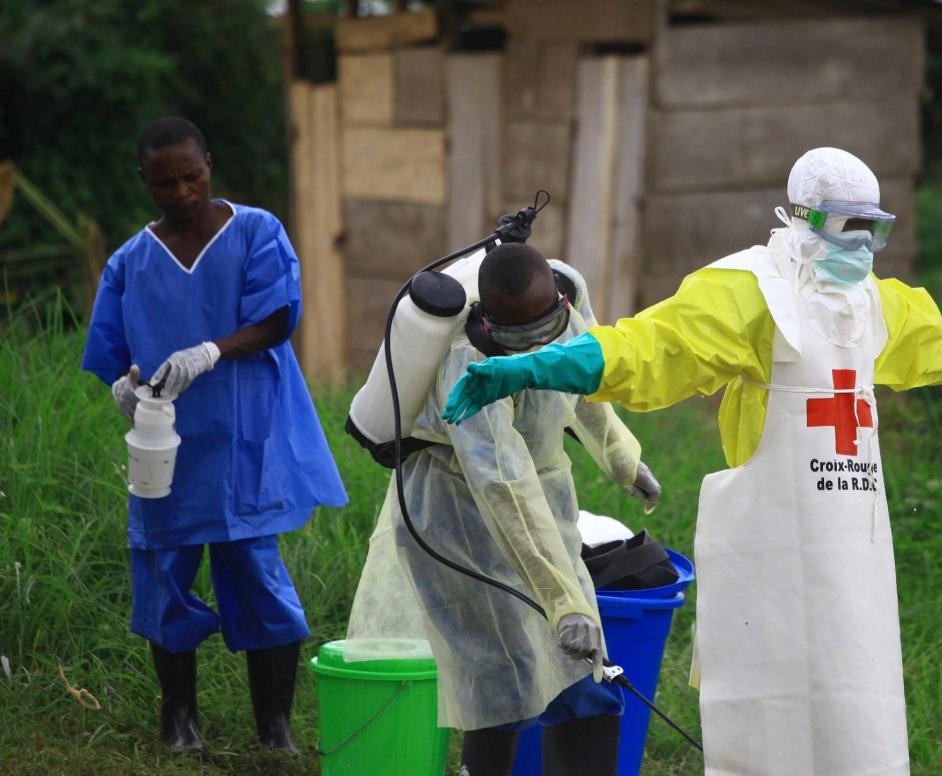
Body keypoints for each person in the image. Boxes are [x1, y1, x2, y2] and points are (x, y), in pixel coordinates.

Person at [443, 148, 942, 775]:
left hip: (853, 557)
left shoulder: (872, 303)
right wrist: (529, 366)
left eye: (875, 228)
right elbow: (645, 349)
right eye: (850, 226)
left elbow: (929, 349)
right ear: (805, 218)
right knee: (773, 708)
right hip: (770, 552)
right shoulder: (750, 291)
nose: (864, 245)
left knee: (859, 694)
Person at [81, 117, 348, 755]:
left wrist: (210, 351)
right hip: (165, 448)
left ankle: (274, 728)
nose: (180, 192)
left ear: (210, 163)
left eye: (191, 176)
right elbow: (114, 350)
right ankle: (179, 723)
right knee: (162, 575)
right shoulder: (130, 262)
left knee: (256, 574)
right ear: (142, 178)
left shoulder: (256, 231)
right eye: (165, 181)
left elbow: (277, 317)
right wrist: (125, 384)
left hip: (241, 438)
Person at [345, 240, 660, 776]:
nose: (539, 346)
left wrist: (622, 458)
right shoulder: (467, 363)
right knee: (503, 681)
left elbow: (580, 369)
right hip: (458, 517)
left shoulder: (568, 286)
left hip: (545, 497)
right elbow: (503, 484)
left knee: (586, 674)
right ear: (489, 324)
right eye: (522, 340)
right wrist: (566, 603)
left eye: (548, 327)